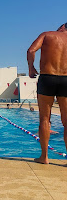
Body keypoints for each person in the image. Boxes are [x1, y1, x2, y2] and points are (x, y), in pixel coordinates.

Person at [27, 22, 67, 164]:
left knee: (45, 119)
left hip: (47, 78)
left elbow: (31, 50)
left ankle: (44, 157)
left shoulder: (47, 34)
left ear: (63, 27)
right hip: (66, 80)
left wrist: (31, 68)